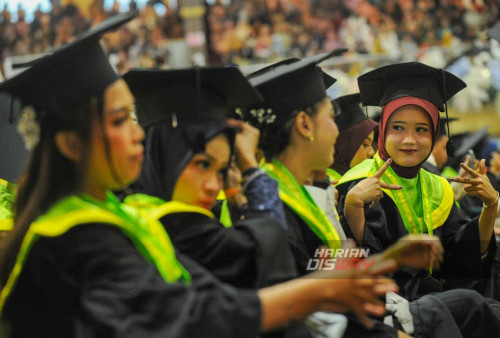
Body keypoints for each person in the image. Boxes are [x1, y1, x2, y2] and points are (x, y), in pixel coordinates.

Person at [0, 12, 401, 336]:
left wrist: (326, 285)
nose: (139, 134)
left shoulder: (124, 215)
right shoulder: (73, 239)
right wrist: (319, 291)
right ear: (71, 144)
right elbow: (195, 316)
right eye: (120, 120)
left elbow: (208, 295)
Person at [336, 62, 499, 300]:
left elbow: (462, 258)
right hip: (386, 306)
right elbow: (358, 261)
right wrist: (353, 207)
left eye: (422, 130)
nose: (409, 140)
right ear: (382, 131)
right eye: (398, 128)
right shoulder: (358, 184)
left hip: (434, 303)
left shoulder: (438, 187)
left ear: (434, 134)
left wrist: (490, 205)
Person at [124, 66, 296, 290]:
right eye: (202, 164)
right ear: (165, 156)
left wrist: (236, 196)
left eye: (221, 170)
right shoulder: (182, 227)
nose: (214, 186)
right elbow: (269, 254)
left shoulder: (132, 210)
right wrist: (252, 172)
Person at [327, 93, 378, 182]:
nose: (372, 152)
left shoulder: (354, 181)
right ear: (344, 145)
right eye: (365, 145)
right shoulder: (330, 186)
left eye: (371, 144)